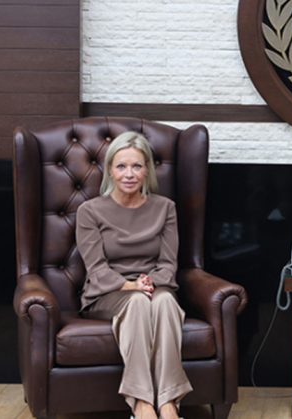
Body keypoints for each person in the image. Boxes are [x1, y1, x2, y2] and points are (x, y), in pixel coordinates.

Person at [76, 131, 191, 419]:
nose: (129, 174)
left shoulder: (165, 208)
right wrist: (129, 285)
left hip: (154, 286)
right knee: (138, 302)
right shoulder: (89, 211)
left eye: (137, 166)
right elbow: (96, 269)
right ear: (110, 170)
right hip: (108, 292)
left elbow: (168, 263)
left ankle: (168, 402)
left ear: (147, 170)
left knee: (165, 302)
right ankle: (141, 403)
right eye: (121, 166)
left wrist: (148, 283)